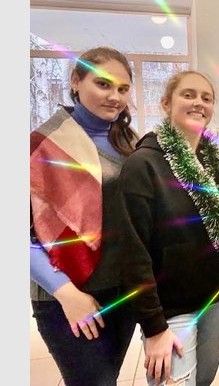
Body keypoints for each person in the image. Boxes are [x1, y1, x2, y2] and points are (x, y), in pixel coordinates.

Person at [117, 70, 219, 385]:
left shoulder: (214, 164)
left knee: (203, 379)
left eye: (206, 98)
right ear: (166, 103)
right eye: (188, 95)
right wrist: (154, 328)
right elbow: (132, 252)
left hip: (216, 299)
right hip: (171, 310)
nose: (199, 103)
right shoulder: (142, 164)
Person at [30, 46, 139, 386]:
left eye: (122, 88)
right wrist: (67, 293)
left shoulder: (130, 142)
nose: (114, 97)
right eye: (103, 84)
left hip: (121, 290)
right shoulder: (42, 144)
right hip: (67, 294)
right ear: (76, 82)